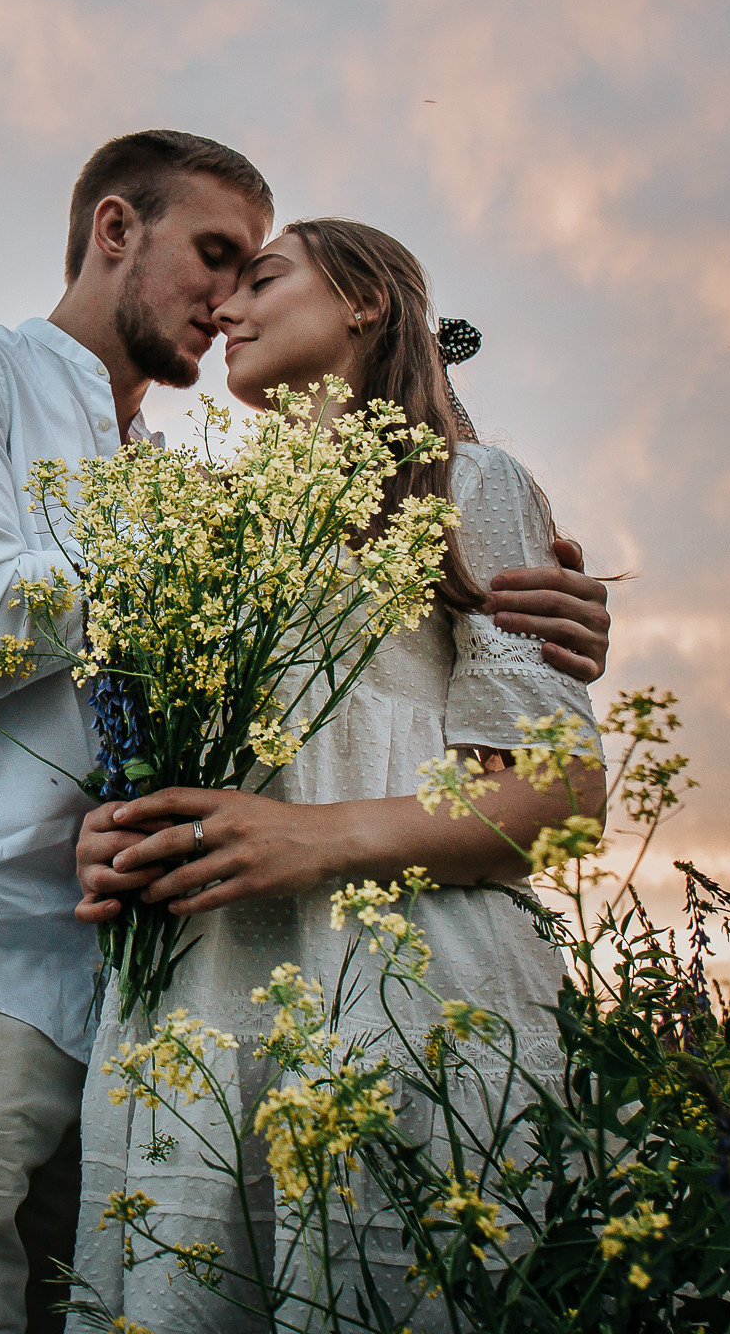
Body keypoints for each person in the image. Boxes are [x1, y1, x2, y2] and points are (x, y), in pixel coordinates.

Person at [0, 138, 612, 1334]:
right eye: (217, 258)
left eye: (254, 273)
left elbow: (290, 723)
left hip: (143, 994)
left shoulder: (200, 482)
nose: (224, 305)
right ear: (116, 229)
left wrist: (506, 590)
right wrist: (220, 542)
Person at [71, 218, 605, 1332]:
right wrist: (117, 829)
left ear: (364, 299)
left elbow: (560, 800)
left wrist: (310, 838)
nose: (227, 308)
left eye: (263, 278)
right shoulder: (214, 521)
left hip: (403, 987)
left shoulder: (471, 481)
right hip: (208, 997)